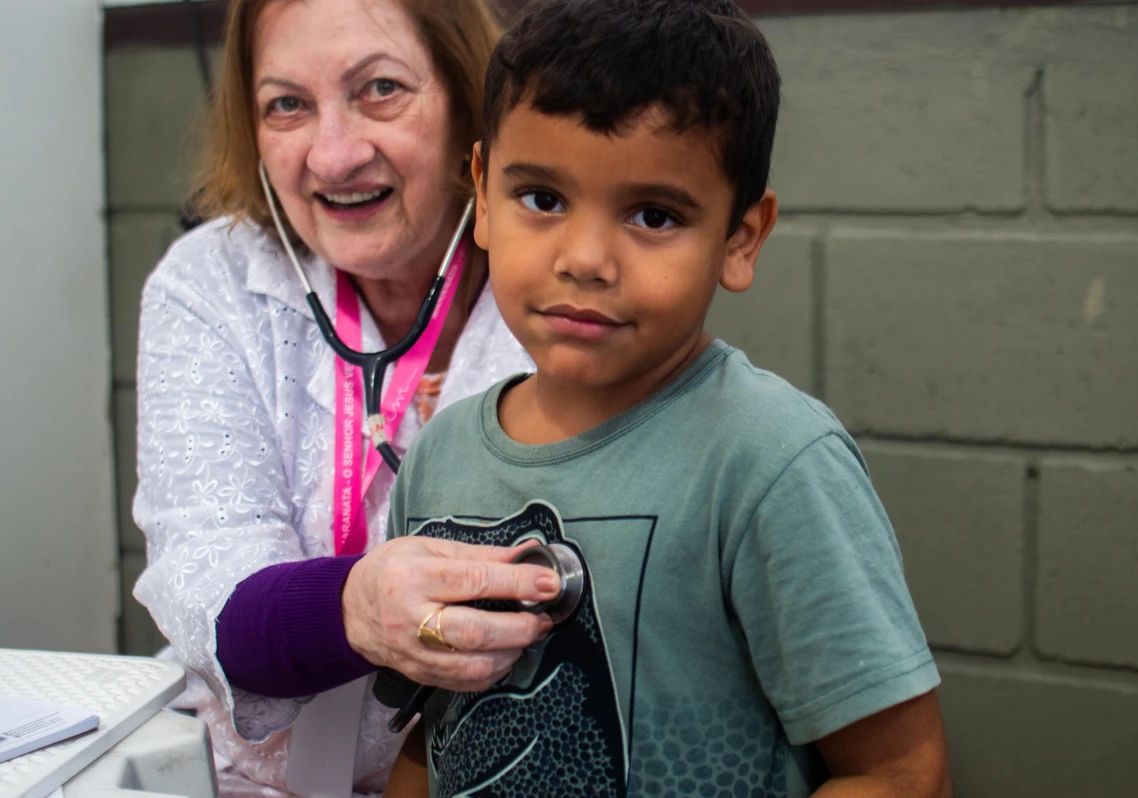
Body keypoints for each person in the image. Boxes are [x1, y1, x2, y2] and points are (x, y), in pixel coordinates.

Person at [382, 0, 953, 795]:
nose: (585, 259)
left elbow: (899, 774)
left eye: (654, 215)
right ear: (481, 194)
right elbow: (427, 736)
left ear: (741, 239)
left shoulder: (772, 461)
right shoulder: (440, 455)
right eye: (541, 198)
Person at [131, 1, 567, 796]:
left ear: (469, 101)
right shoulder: (212, 284)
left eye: (380, 90)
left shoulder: (562, 287)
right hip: (236, 778)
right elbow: (207, 578)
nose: (333, 156)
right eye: (287, 105)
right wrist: (357, 608)